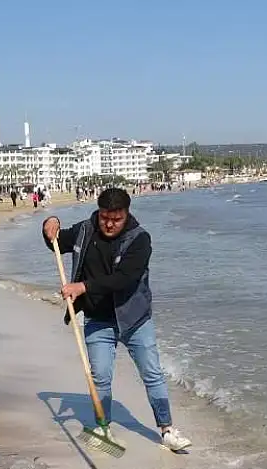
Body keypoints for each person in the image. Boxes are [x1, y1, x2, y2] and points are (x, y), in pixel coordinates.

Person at [41, 187, 191, 451]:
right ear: (98, 213)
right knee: (99, 375)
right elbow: (57, 241)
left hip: (134, 319)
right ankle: (102, 427)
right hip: (98, 319)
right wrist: (49, 224)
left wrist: (82, 287)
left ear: (126, 214)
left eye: (116, 219)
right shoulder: (86, 230)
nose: (109, 224)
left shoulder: (140, 240)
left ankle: (167, 429)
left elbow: (123, 279)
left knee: (152, 373)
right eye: (104, 217)